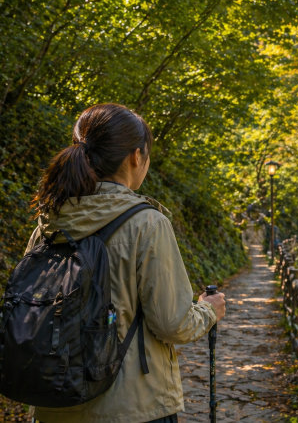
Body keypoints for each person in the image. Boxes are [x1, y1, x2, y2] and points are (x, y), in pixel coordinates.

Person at [28, 103, 226, 423]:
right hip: (134, 407)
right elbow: (172, 322)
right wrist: (208, 311)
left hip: (55, 403)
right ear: (136, 157)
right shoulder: (146, 223)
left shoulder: (49, 224)